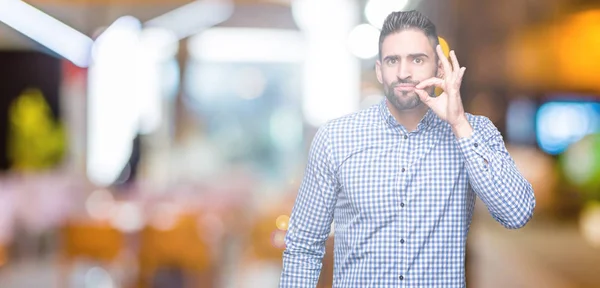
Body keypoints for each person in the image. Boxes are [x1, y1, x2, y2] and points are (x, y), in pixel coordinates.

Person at [279, 10, 535, 288]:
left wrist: (459, 124)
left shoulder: (475, 131)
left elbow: (516, 213)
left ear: (439, 68)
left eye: (417, 59)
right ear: (379, 70)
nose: (403, 72)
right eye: (392, 60)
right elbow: (303, 246)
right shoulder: (335, 138)